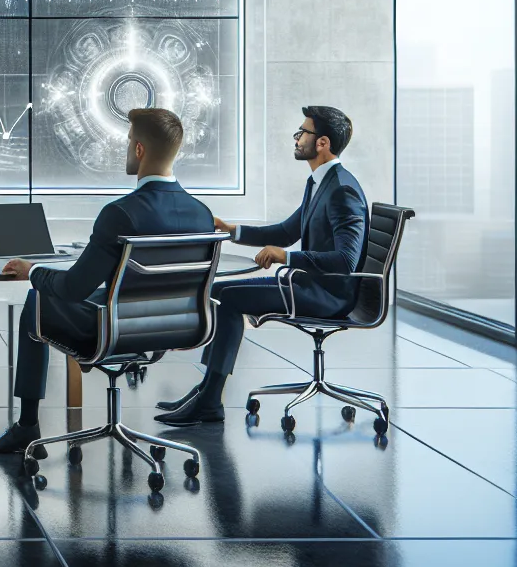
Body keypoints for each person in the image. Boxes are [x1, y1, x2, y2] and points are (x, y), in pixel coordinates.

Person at [0, 107, 213, 454]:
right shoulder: (202, 214)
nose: (126, 148)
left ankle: (27, 426)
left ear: (139, 149)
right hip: (175, 328)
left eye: (128, 141)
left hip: (116, 330)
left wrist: (33, 271)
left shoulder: (120, 213)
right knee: (102, 295)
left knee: (37, 300)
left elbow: (75, 288)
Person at [155, 105, 368, 426]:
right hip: (310, 286)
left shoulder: (342, 189)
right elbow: (286, 231)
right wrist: (232, 230)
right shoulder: (320, 182)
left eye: (303, 133)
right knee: (217, 292)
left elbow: (345, 261)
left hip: (327, 296)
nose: (297, 139)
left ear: (322, 143)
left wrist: (287, 257)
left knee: (227, 297)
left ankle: (210, 398)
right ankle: (206, 389)